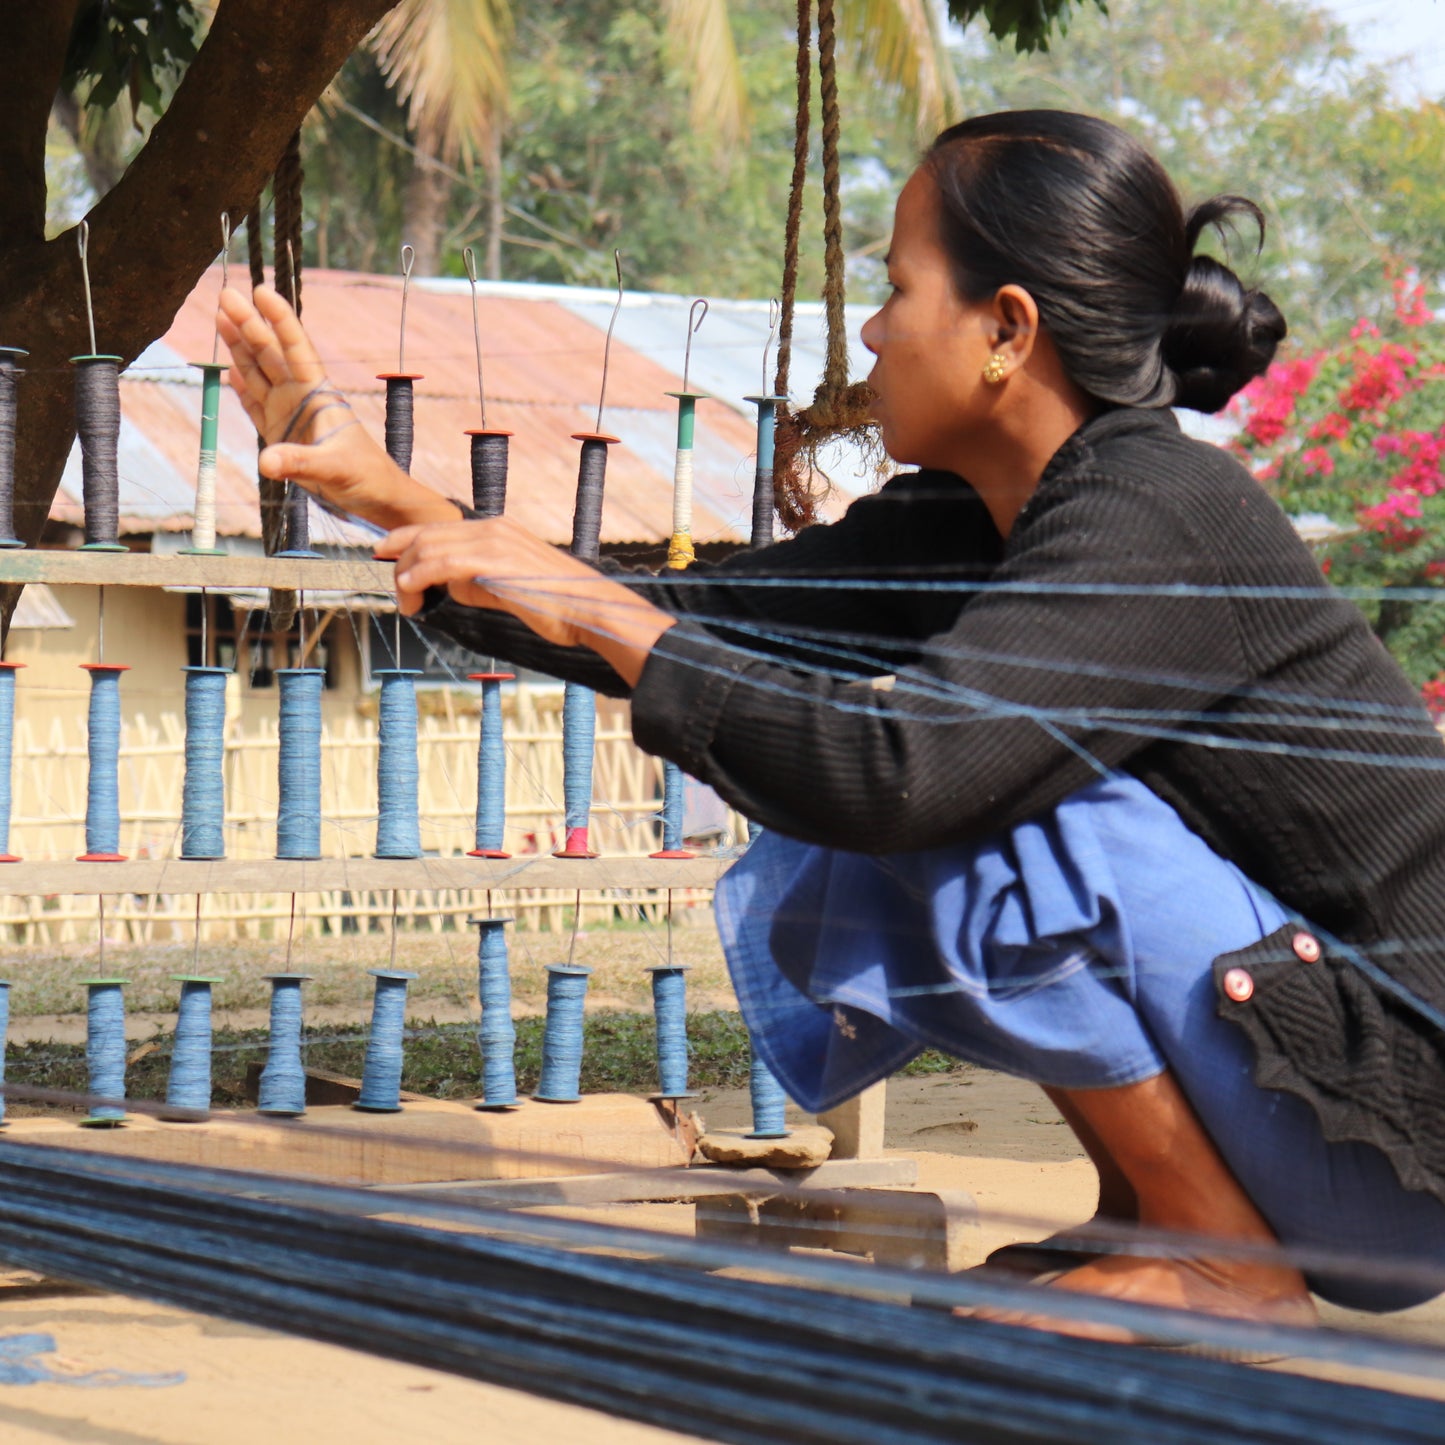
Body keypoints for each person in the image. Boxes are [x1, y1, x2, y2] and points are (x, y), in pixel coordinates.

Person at [219, 110, 1445, 1334]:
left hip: (1400, 1125)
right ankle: (1148, 1221)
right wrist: (378, 491)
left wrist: (615, 618)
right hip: (1317, 1081)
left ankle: (1222, 1261)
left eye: (896, 288)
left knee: (958, 780)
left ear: (1005, 331)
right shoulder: (973, 520)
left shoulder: (1158, 509)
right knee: (876, 748)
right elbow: (683, 621)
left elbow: (895, 772)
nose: (869, 329)